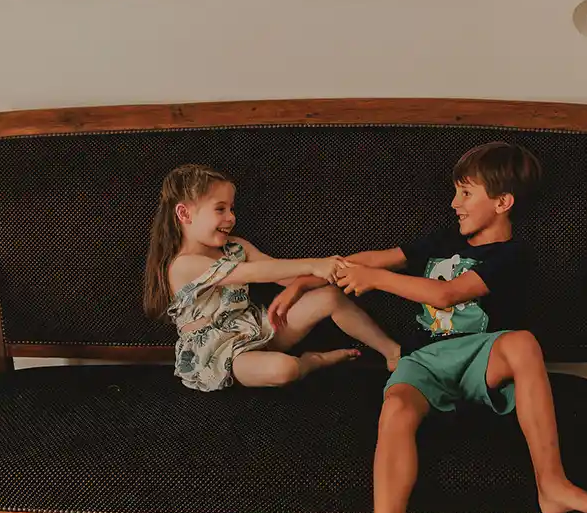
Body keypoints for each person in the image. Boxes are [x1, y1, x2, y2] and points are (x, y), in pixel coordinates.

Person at [268, 142, 587, 513]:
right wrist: (301, 283)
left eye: (466, 193)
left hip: (481, 355)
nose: (455, 203)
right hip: (423, 361)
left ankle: (551, 483)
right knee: (395, 408)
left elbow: (446, 295)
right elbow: (365, 260)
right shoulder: (442, 241)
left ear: (503, 202)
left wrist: (377, 281)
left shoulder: (512, 255)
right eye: (456, 192)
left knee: (524, 344)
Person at [142, 163, 400, 392]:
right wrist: (314, 264)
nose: (231, 218)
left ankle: (393, 353)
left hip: (257, 328)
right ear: (184, 214)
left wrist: (342, 268)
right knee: (285, 369)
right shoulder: (184, 265)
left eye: (231, 208)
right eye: (220, 209)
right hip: (219, 356)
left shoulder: (236, 247)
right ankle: (312, 361)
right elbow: (255, 273)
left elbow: (279, 273)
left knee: (329, 297)